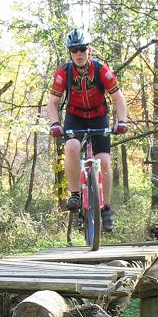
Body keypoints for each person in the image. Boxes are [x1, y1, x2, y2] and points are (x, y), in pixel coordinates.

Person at [47, 28, 128, 232]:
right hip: (75, 118)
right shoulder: (63, 73)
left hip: (99, 116)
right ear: (70, 53)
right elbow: (53, 102)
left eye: (82, 49)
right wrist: (55, 123)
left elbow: (118, 99)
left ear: (89, 49)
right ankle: (75, 194)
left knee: (104, 161)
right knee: (72, 148)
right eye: (74, 50)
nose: (79, 54)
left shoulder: (101, 70)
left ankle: (105, 209)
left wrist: (122, 121)